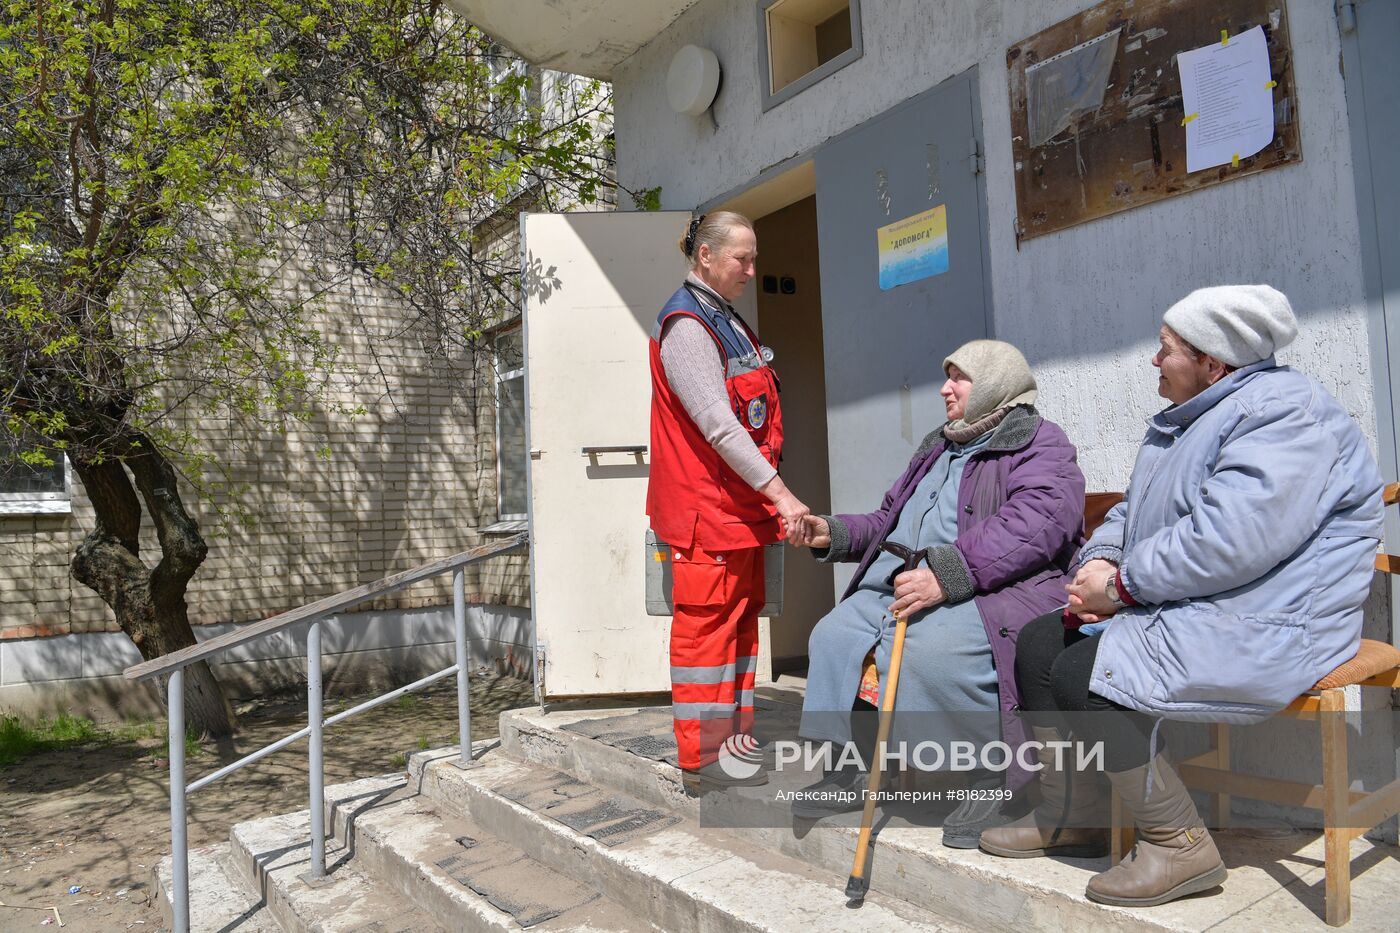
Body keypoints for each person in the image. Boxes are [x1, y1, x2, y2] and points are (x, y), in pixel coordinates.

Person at [980, 285, 1384, 908]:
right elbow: (1130, 516)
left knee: (1089, 673)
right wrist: (1100, 565)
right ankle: (1075, 812)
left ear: (1214, 362)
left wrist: (1120, 588)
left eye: (1165, 350)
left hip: (1279, 618)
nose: (1153, 361)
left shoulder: (1285, 417)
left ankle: (1178, 844)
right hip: (1211, 602)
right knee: (1040, 642)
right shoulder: (1190, 419)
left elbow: (1231, 540)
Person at [793, 340, 1086, 848]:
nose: (945, 388)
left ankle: (992, 776)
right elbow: (890, 520)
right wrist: (833, 532)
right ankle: (856, 769)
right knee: (834, 635)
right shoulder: (937, 446)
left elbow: (1035, 525)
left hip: (996, 586)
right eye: (946, 376)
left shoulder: (1040, 443)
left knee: (935, 649)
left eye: (959, 378)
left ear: (995, 384)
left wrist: (947, 572)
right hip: (913, 579)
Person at [647, 211, 812, 788]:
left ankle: (732, 749)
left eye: (753, 256)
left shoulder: (726, 318)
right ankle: (701, 761)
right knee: (706, 640)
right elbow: (720, 427)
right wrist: (781, 495)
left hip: (737, 513)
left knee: (740, 635)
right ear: (706, 257)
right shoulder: (688, 326)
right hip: (707, 515)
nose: (752, 268)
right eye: (741, 258)